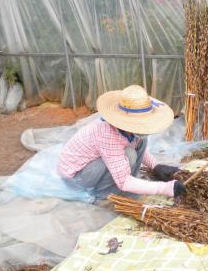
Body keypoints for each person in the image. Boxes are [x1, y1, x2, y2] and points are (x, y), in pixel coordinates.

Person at [57, 84, 186, 200]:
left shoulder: (129, 129)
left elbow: (138, 144)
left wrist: (156, 166)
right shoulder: (108, 134)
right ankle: (106, 193)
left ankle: (131, 182)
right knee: (129, 155)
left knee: (142, 140)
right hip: (76, 177)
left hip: (92, 167)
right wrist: (163, 188)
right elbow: (124, 181)